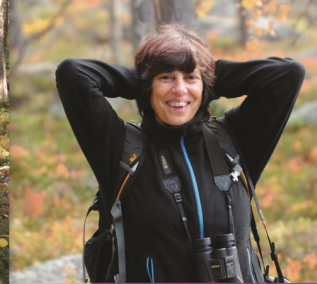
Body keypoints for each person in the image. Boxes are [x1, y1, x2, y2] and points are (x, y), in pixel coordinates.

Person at [55, 24, 304, 282]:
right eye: (166, 77)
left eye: (190, 78)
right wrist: (144, 81)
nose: (180, 90)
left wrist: (205, 76)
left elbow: (287, 75)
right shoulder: (121, 149)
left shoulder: (233, 141)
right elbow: (73, 74)